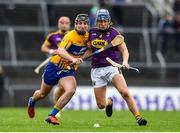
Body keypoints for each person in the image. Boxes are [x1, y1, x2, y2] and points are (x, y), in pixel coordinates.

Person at [85, 9, 147, 126]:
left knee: (125, 92)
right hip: (96, 70)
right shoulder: (91, 33)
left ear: (109, 21)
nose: (103, 24)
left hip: (112, 67)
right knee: (101, 105)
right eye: (100, 21)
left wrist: (125, 62)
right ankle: (109, 102)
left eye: (105, 21)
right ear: (96, 21)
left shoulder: (114, 33)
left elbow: (124, 49)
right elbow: (88, 51)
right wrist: (78, 59)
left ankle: (138, 118)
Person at [27, 14, 89, 125]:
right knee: (42, 94)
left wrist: (81, 57)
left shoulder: (89, 37)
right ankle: (32, 101)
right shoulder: (70, 36)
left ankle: (52, 115)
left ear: (88, 25)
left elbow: (91, 49)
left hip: (67, 70)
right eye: (80, 23)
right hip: (54, 67)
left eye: (85, 24)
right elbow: (60, 51)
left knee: (71, 90)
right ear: (75, 25)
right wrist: (72, 59)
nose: (82, 26)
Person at [41, 16, 71, 117]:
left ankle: (56, 108)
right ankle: (55, 106)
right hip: (54, 64)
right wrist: (51, 51)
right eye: (62, 23)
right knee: (43, 93)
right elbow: (43, 47)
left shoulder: (72, 35)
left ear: (69, 24)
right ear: (58, 24)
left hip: (67, 64)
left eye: (66, 23)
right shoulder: (52, 36)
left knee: (62, 87)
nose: (64, 25)